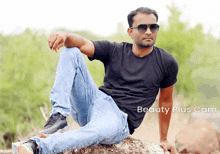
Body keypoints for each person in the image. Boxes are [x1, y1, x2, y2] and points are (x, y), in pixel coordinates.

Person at [13, 7, 178, 154]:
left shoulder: (166, 62)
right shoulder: (115, 50)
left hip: (119, 118)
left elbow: (165, 100)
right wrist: (64, 35)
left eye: (153, 27)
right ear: (130, 32)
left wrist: (163, 139)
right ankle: (58, 117)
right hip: (94, 102)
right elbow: (83, 43)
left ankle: (37, 146)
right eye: (143, 27)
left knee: (95, 132)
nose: (149, 31)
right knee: (71, 52)